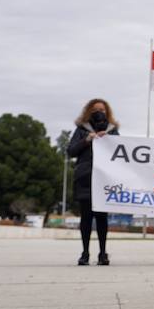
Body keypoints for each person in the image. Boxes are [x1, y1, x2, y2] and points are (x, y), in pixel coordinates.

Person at [67, 99, 119, 266]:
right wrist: (86, 140)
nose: (99, 112)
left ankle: (103, 253)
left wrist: (108, 139)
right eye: (96, 109)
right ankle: (85, 252)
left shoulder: (112, 130)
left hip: (104, 179)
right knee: (86, 218)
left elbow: (121, 152)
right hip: (85, 179)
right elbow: (71, 151)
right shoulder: (82, 130)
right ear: (89, 111)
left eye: (102, 110)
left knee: (102, 218)